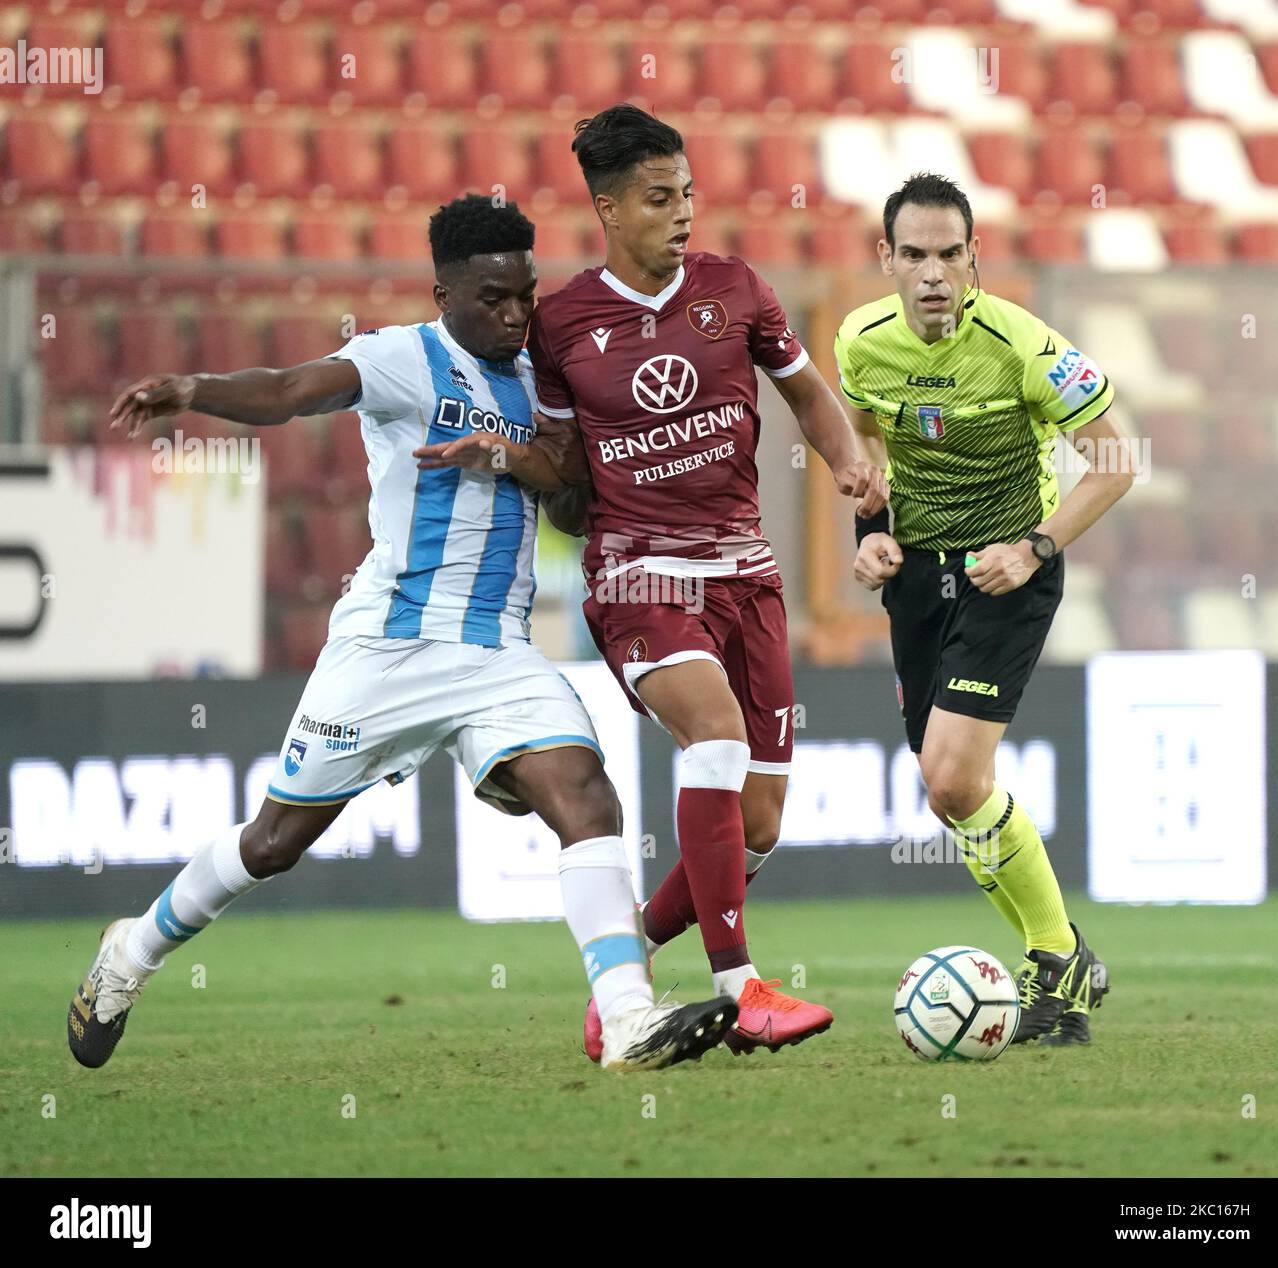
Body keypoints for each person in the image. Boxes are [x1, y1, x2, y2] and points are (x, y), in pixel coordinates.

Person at [67, 195, 737, 1075]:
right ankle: (130, 951)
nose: (513, 315)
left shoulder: (544, 377)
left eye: (525, 296)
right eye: (493, 298)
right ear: (444, 294)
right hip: (388, 647)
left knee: (589, 797)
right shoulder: (401, 360)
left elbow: (574, 502)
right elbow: (288, 391)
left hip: (497, 652)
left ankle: (626, 1021)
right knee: (274, 843)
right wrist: (194, 390)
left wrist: (507, 455)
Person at [422, 105, 885, 1058]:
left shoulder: (737, 289)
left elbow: (805, 392)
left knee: (757, 826)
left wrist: (848, 464)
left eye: (688, 194)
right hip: (638, 577)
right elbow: (558, 466)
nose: (683, 213)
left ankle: (619, 971)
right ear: (608, 209)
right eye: (659, 198)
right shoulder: (561, 325)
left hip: (746, 577)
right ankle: (740, 984)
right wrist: (510, 457)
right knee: (712, 734)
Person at [834, 172, 1133, 1044]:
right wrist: (875, 529)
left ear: (975, 260)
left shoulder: (1026, 347)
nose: (933, 274)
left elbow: (1115, 463)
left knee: (957, 778)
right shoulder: (859, 342)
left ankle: (1058, 957)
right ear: (886, 258)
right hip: (918, 579)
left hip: (1009, 571)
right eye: (915, 255)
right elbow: (864, 440)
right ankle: (1062, 957)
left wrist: (1035, 546)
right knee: (945, 792)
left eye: (950, 255)